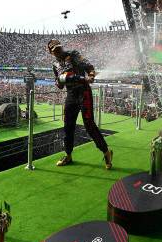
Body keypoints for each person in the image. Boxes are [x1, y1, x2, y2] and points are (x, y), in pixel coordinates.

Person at [48, 39, 113, 169]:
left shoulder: (73, 54)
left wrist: (91, 75)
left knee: (89, 124)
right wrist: (60, 81)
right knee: (68, 126)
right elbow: (59, 85)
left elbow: (89, 66)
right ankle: (68, 155)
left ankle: (106, 152)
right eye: (55, 50)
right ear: (51, 52)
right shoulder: (55, 65)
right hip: (71, 95)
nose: (58, 51)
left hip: (84, 92)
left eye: (59, 48)